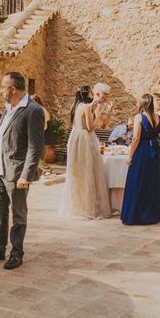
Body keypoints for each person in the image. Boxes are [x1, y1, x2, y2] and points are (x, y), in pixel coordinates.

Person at [0, 72, 44, 270]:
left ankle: (16, 253)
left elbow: (35, 146)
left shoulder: (33, 110)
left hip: (16, 173)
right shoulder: (8, 108)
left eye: (2, 87)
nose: (0, 90)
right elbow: (1, 139)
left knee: (18, 214)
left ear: (12, 89)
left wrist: (26, 175)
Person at [59, 85, 111, 220]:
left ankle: (79, 205)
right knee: (88, 171)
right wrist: (98, 113)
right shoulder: (86, 107)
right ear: (91, 93)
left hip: (75, 137)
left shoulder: (76, 106)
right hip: (84, 139)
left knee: (77, 172)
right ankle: (89, 207)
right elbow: (90, 127)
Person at [121, 94, 160, 225]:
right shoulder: (159, 118)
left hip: (142, 150)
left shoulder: (139, 117)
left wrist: (130, 156)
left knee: (137, 180)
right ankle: (151, 214)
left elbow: (135, 138)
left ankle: (135, 215)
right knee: (152, 182)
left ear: (141, 104)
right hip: (155, 150)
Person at [30, 94, 53, 176]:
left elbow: (44, 126)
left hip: (43, 138)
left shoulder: (41, 110)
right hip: (44, 138)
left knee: (36, 157)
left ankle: (49, 170)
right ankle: (38, 176)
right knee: (41, 158)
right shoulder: (41, 109)